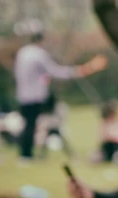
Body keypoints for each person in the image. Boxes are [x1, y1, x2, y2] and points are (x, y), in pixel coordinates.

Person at [14, 30, 107, 160]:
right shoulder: (38, 54)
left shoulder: (22, 52)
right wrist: (81, 70)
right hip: (35, 96)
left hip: (23, 95)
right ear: (40, 41)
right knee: (33, 124)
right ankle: (26, 154)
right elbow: (55, 71)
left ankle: (26, 153)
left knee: (29, 124)